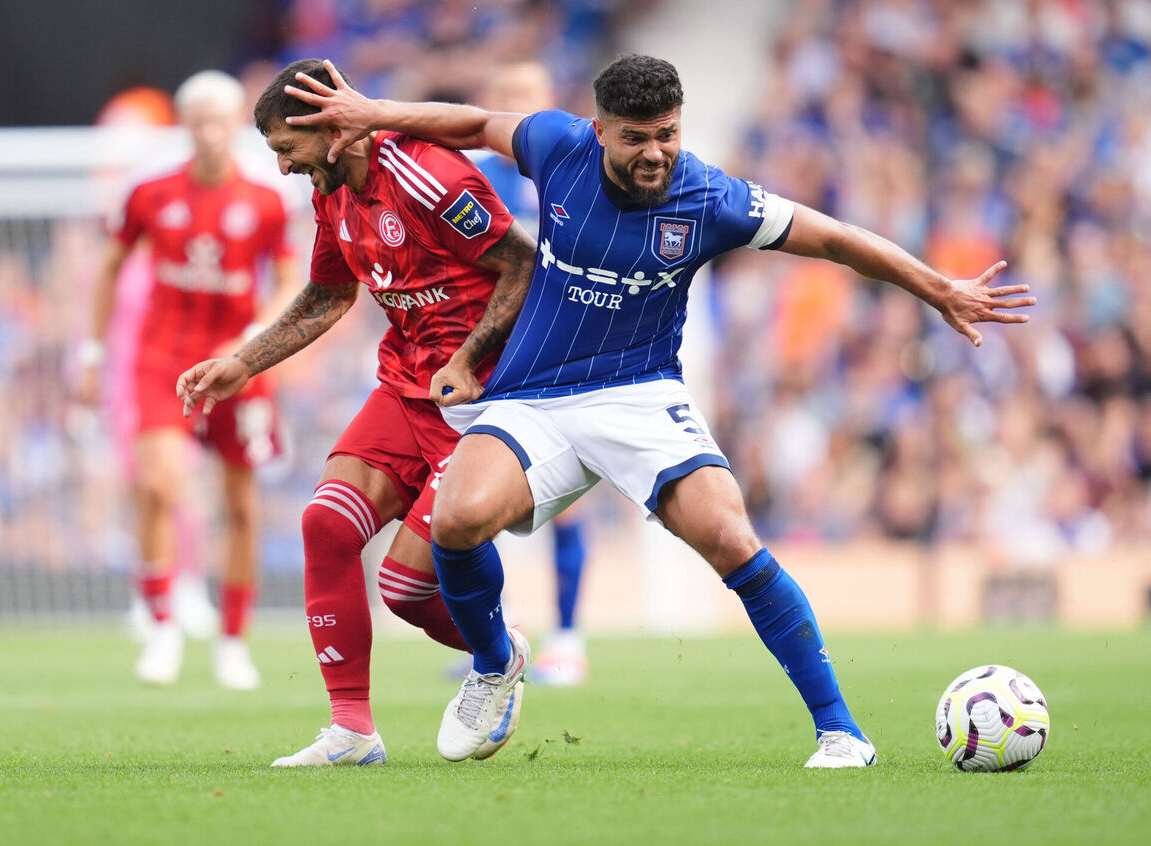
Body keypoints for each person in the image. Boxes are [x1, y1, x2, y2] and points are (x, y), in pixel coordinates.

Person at [282, 54, 1037, 767]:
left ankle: (841, 731)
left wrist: (937, 287)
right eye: (637, 138)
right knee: (455, 522)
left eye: (667, 135)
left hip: (639, 394)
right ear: (600, 128)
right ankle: (494, 664)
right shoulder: (557, 145)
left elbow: (833, 237)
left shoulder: (712, 198)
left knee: (730, 537)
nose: (655, 153)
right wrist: (376, 112)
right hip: (534, 397)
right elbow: (477, 123)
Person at [176, 59, 537, 767]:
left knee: (404, 588)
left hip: (484, 399)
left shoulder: (430, 176)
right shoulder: (332, 192)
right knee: (326, 522)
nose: (282, 168)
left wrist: (465, 361)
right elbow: (327, 296)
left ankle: (499, 656)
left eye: (288, 149)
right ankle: (352, 730)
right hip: (406, 388)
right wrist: (242, 364)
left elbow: (522, 266)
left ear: (333, 133)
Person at [79, 70, 299, 690]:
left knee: (241, 506)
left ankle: (233, 641)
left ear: (236, 125)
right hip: (164, 360)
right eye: (196, 120)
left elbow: (288, 278)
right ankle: (163, 624)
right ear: (183, 125)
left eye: (219, 120)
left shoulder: (263, 197)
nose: (207, 132)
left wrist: (255, 334)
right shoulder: (148, 191)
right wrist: (95, 353)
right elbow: (109, 268)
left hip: (237, 365)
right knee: (158, 484)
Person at [474, 61, 590, 687]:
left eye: (529, 96)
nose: (518, 105)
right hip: (495, 351)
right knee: (479, 494)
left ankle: (568, 640)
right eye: (507, 95)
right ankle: (502, 635)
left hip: (562, 351)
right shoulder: (474, 175)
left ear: (551, 102)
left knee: (564, 503)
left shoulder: (573, 171)